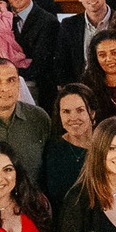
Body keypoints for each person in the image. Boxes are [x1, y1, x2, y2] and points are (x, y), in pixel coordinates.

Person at [42, 85, 100, 214]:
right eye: (66, 112)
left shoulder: (106, 147)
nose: (73, 118)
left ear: (92, 112)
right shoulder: (52, 148)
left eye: (80, 110)